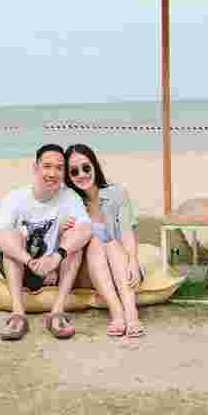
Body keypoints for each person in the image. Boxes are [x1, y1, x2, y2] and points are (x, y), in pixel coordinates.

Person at [0, 143, 92, 341]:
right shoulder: (15, 197)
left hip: (54, 267)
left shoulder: (69, 197)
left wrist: (57, 257)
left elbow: (85, 229)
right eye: (47, 166)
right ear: (35, 168)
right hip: (23, 263)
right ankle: (18, 315)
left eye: (59, 168)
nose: (52, 173)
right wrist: (30, 261)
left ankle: (56, 313)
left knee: (74, 239)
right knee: (13, 237)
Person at [64, 143, 146, 338]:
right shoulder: (69, 202)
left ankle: (131, 314)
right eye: (74, 171)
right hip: (87, 272)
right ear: (68, 176)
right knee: (95, 241)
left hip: (120, 265)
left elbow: (127, 232)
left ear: (95, 166)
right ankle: (117, 312)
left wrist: (133, 261)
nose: (82, 174)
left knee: (110, 242)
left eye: (86, 167)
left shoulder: (117, 193)